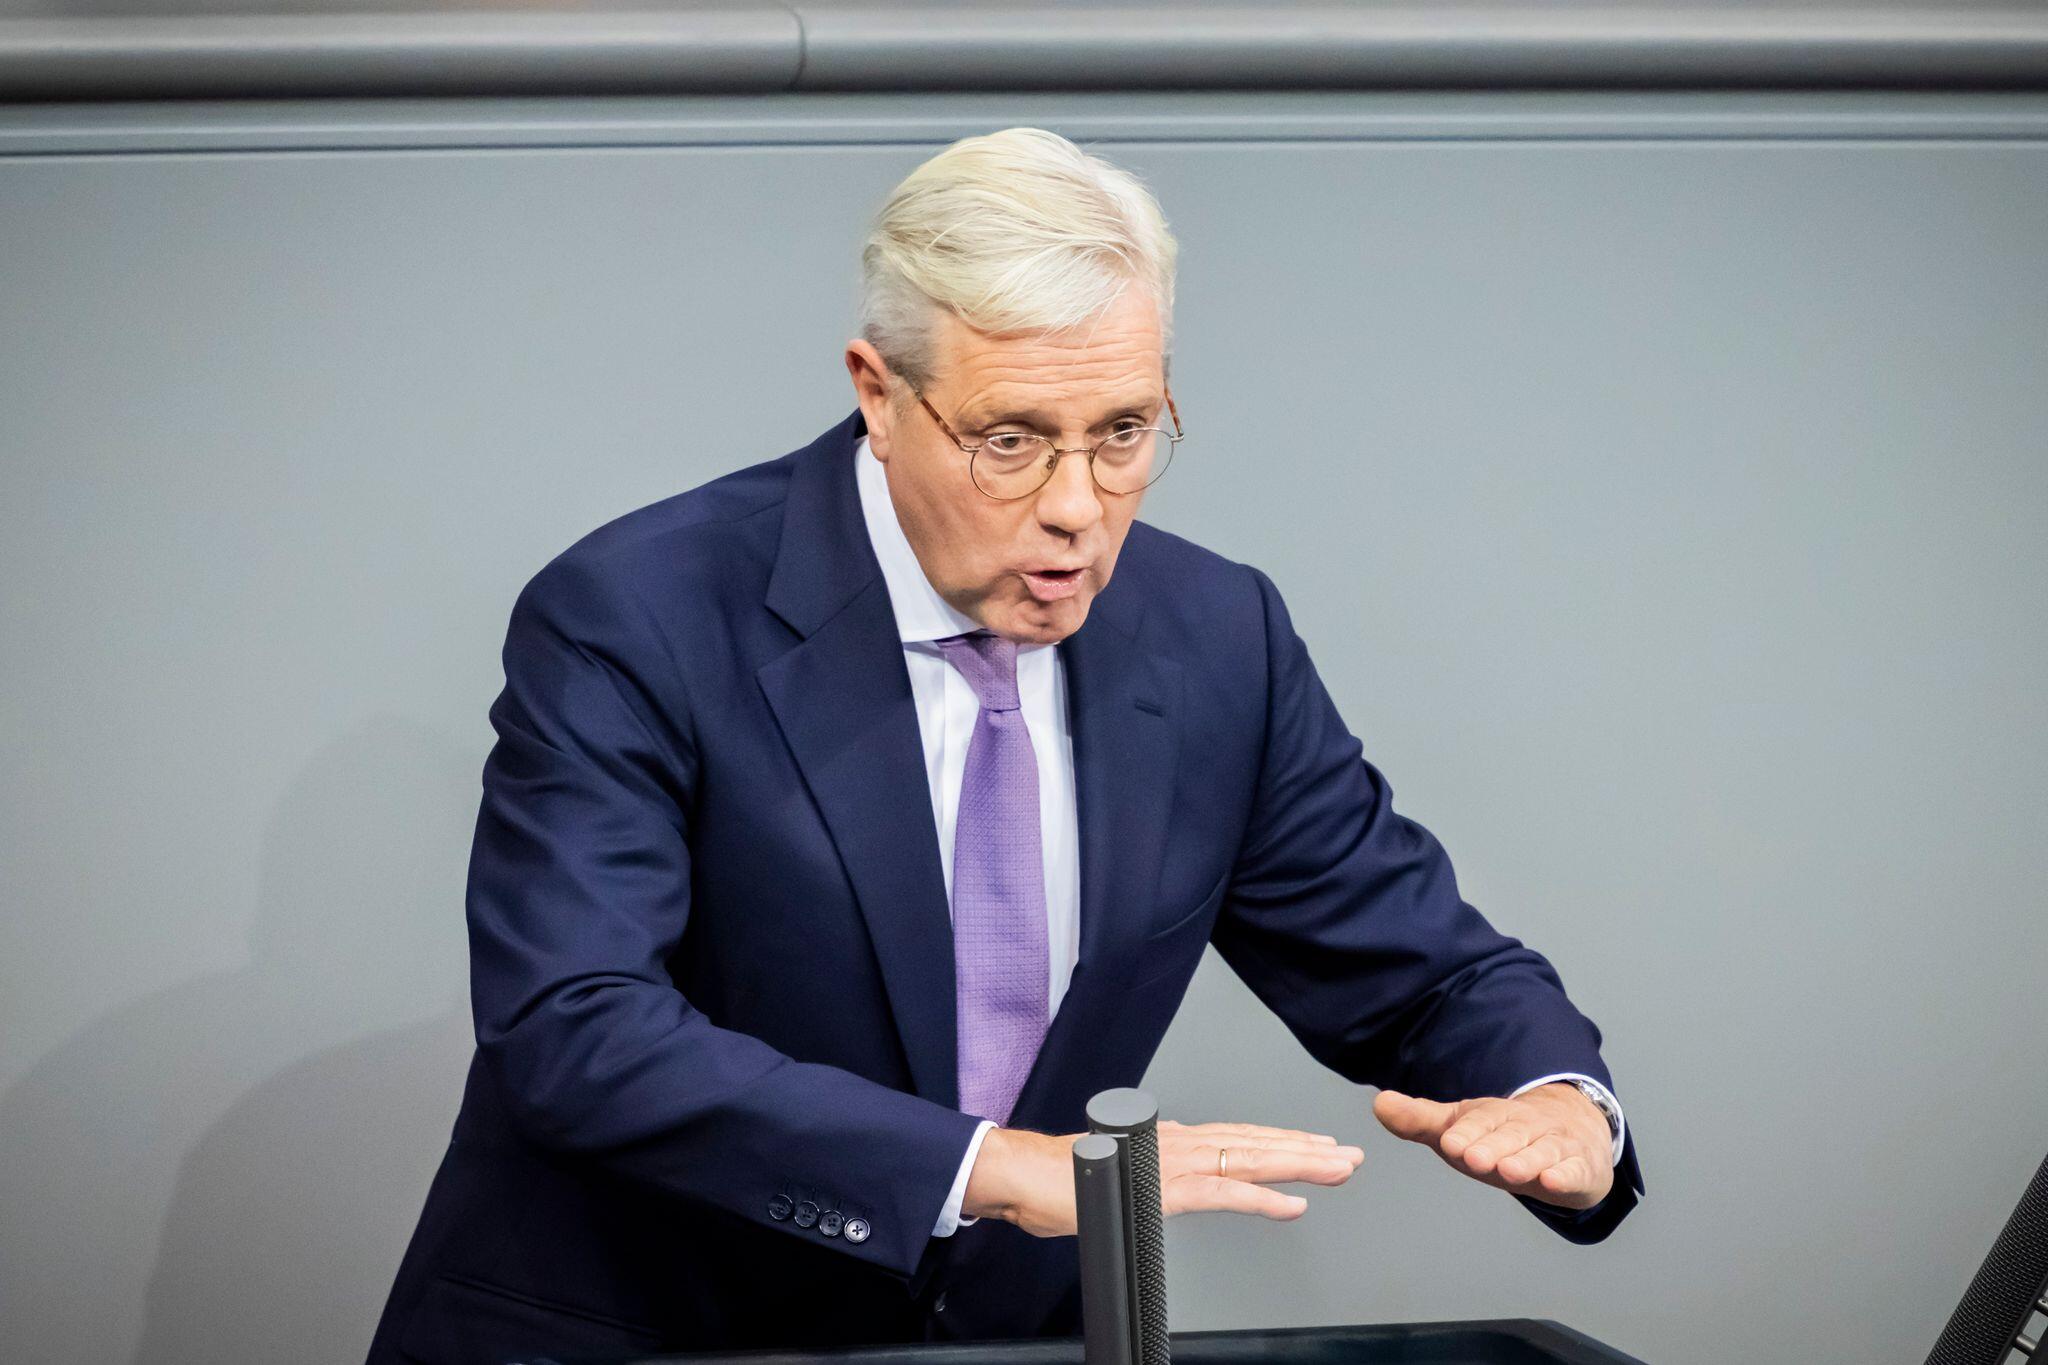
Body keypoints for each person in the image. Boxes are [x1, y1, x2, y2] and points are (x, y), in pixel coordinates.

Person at [367, 126, 1645, 1365]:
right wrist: (988, 1168)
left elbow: (1416, 966)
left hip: (1004, 1345)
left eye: (1123, 432)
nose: (1077, 508)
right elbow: (575, 1027)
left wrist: (1554, 1097)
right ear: (878, 394)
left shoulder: (1215, 634)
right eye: (1011, 441)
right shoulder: (639, 612)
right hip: (646, 1333)